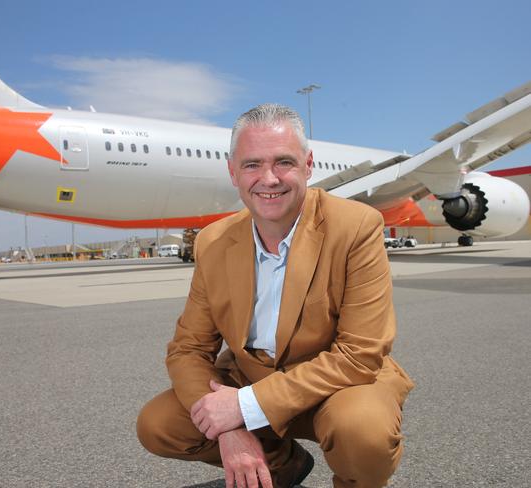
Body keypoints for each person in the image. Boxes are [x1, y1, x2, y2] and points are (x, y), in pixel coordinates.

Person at [137, 104, 414, 488]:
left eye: (284, 162)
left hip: (338, 384)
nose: (269, 179)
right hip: (249, 377)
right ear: (233, 172)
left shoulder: (356, 226)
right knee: (159, 424)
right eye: (252, 165)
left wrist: (243, 407)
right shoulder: (213, 242)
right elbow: (188, 349)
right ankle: (281, 468)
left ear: (309, 164)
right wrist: (230, 429)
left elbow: (360, 354)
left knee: (363, 432)